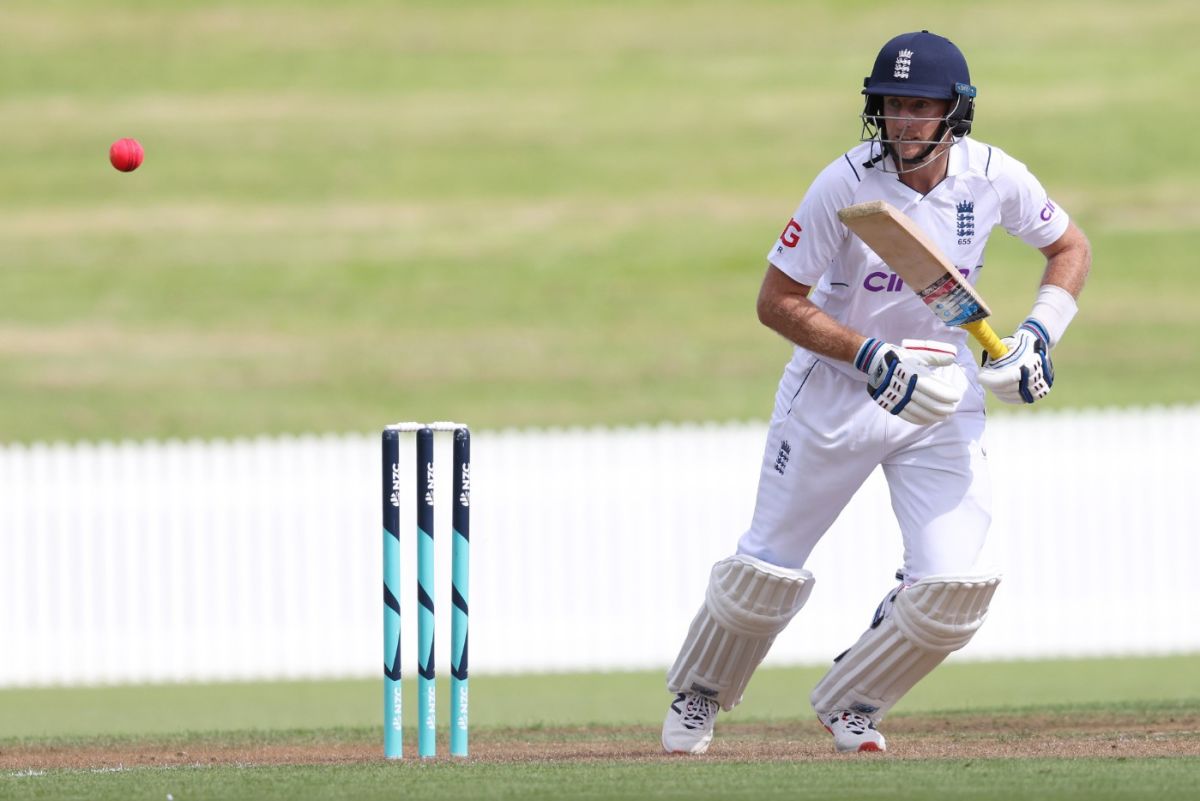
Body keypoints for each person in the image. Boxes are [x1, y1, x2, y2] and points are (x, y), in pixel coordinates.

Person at [661, 30, 1091, 755]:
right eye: (890, 105)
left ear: (955, 113)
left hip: (941, 395)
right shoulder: (846, 182)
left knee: (953, 590)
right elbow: (776, 301)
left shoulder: (994, 176)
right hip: (837, 392)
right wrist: (866, 353)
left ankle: (853, 700)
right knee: (766, 568)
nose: (901, 122)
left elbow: (1069, 247)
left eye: (918, 106)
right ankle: (698, 695)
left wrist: (1040, 334)